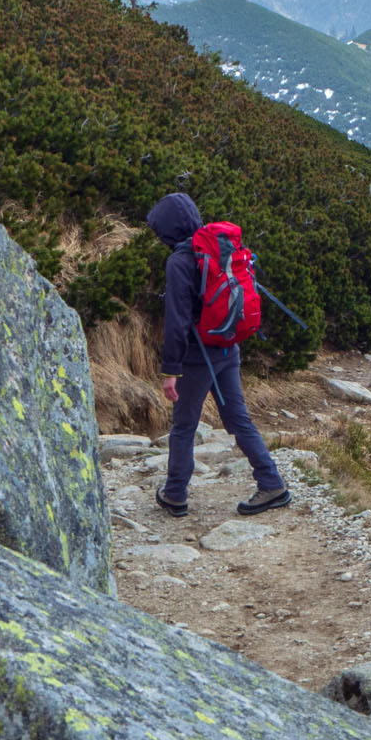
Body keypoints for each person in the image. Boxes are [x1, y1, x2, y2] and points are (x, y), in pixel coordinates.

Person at [146, 192, 291, 519]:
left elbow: (177, 322)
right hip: (228, 348)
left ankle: (174, 494)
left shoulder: (180, 261)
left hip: (198, 357)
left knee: (184, 426)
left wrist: (171, 370)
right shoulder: (219, 248)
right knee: (238, 418)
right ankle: (272, 483)